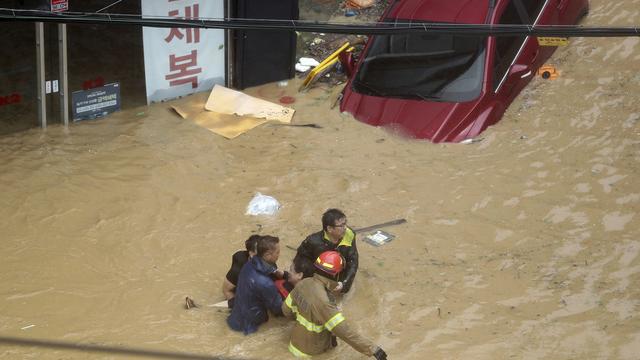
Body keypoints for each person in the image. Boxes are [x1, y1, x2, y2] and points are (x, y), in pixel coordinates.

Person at [282, 251, 387, 359]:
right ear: (336, 274)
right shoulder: (324, 302)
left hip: (294, 344)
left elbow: (286, 310)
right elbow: (343, 331)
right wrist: (373, 349)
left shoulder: (304, 283)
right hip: (313, 354)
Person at [227, 235, 284, 334]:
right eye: (277, 252)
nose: (279, 254)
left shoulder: (249, 264)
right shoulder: (265, 283)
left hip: (236, 317)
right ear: (268, 255)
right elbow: (279, 309)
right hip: (249, 328)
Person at [294, 208, 359, 293]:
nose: (345, 228)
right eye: (341, 225)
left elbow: (353, 261)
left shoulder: (349, 234)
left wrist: (344, 284)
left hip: (339, 276)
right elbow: (300, 260)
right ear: (329, 229)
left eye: (345, 223)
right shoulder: (313, 241)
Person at [222, 234, 260, 308]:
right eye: (260, 251)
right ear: (251, 253)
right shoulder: (239, 268)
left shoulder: (268, 258)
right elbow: (226, 290)